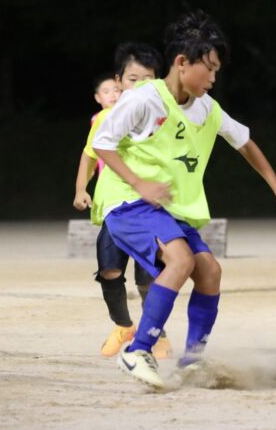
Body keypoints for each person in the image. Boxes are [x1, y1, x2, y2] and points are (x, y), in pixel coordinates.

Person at [91, 10, 276, 388]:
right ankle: (137, 350)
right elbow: (102, 143)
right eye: (209, 68)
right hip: (127, 201)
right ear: (181, 62)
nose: (213, 78)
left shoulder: (206, 107)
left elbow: (245, 143)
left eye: (217, 70)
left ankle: (191, 361)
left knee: (209, 272)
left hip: (165, 209)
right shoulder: (144, 99)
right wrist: (140, 183)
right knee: (181, 260)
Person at [73, 43, 173, 360]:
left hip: (149, 208)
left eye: (147, 79)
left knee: (148, 277)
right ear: (119, 81)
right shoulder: (105, 118)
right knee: (109, 271)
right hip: (115, 207)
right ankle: (123, 326)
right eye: (132, 79)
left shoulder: (163, 115)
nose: (139, 86)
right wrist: (81, 189)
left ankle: (156, 332)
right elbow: (90, 154)